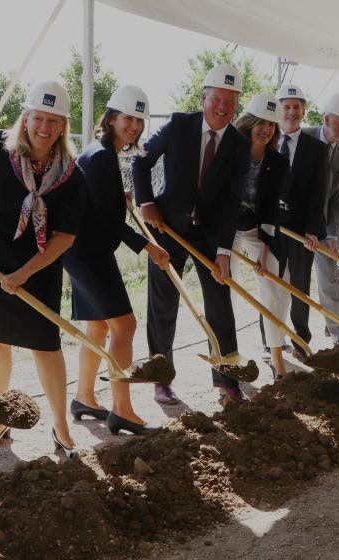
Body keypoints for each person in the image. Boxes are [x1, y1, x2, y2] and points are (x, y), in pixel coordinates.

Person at [0, 81, 85, 452]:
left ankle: (61, 427)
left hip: (37, 266)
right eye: (38, 118)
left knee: (45, 344)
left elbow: (65, 237)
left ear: (63, 127)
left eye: (53, 121)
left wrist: (24, 273)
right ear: (25, 118)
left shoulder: (72, 175)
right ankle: (1, 417)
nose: (44, 127)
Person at [132, 63, 250, 406]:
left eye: (231, 101)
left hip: (210, 234)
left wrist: (224, 251)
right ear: (204, 98)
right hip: (167, 227)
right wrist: (146, 201)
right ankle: (161, 378)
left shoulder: (239, 146)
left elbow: (232, 202)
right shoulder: (179, 125)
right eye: (218, 99)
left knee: (219, 303)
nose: (224, 108)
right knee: (164, 303)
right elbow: (141, 159)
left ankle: (227, 382)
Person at [62, 85, 169, 435]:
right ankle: (122, 409)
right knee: (125, 326)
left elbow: (100, 205)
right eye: (128, 118)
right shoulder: (99, 156)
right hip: (88, 254)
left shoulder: (103, 154)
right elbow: (108, 221)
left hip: (82, 251)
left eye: (139, 120)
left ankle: (84, 397)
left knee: (98, 326)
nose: (134, 126)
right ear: (110, 119)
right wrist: (147, 246)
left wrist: (116, 196)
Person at [228, 93, 289, 378]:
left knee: (273, 287)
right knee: (227, 289)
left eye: (272, 125)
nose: (266, 130)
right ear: (250, 122)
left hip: (256, 229)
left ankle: (278, 362)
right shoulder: (230, 149)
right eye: (261, 122)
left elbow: (270, 208)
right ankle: (229, 359)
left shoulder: (277, 161)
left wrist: (264, 249)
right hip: (226, 228)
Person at [267, 84, 330, 361]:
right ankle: (271, 343)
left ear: (304, 111)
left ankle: (301, 339)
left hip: (301, 230)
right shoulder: (264, 140)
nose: (291, 112)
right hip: (270, 227)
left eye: (297, 107)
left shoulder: (317, 149)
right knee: (271, 285)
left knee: (300, 285)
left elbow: (319, 194)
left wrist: (314, 230)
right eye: (287, 106)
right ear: (279, 109)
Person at [306, 93, 339, 349]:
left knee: (330, 276)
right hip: (295, 222)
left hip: (324, 224)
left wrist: (333, 234)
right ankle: (282, 340)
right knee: (288, 280)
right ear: (326, 119)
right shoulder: (301, 138)